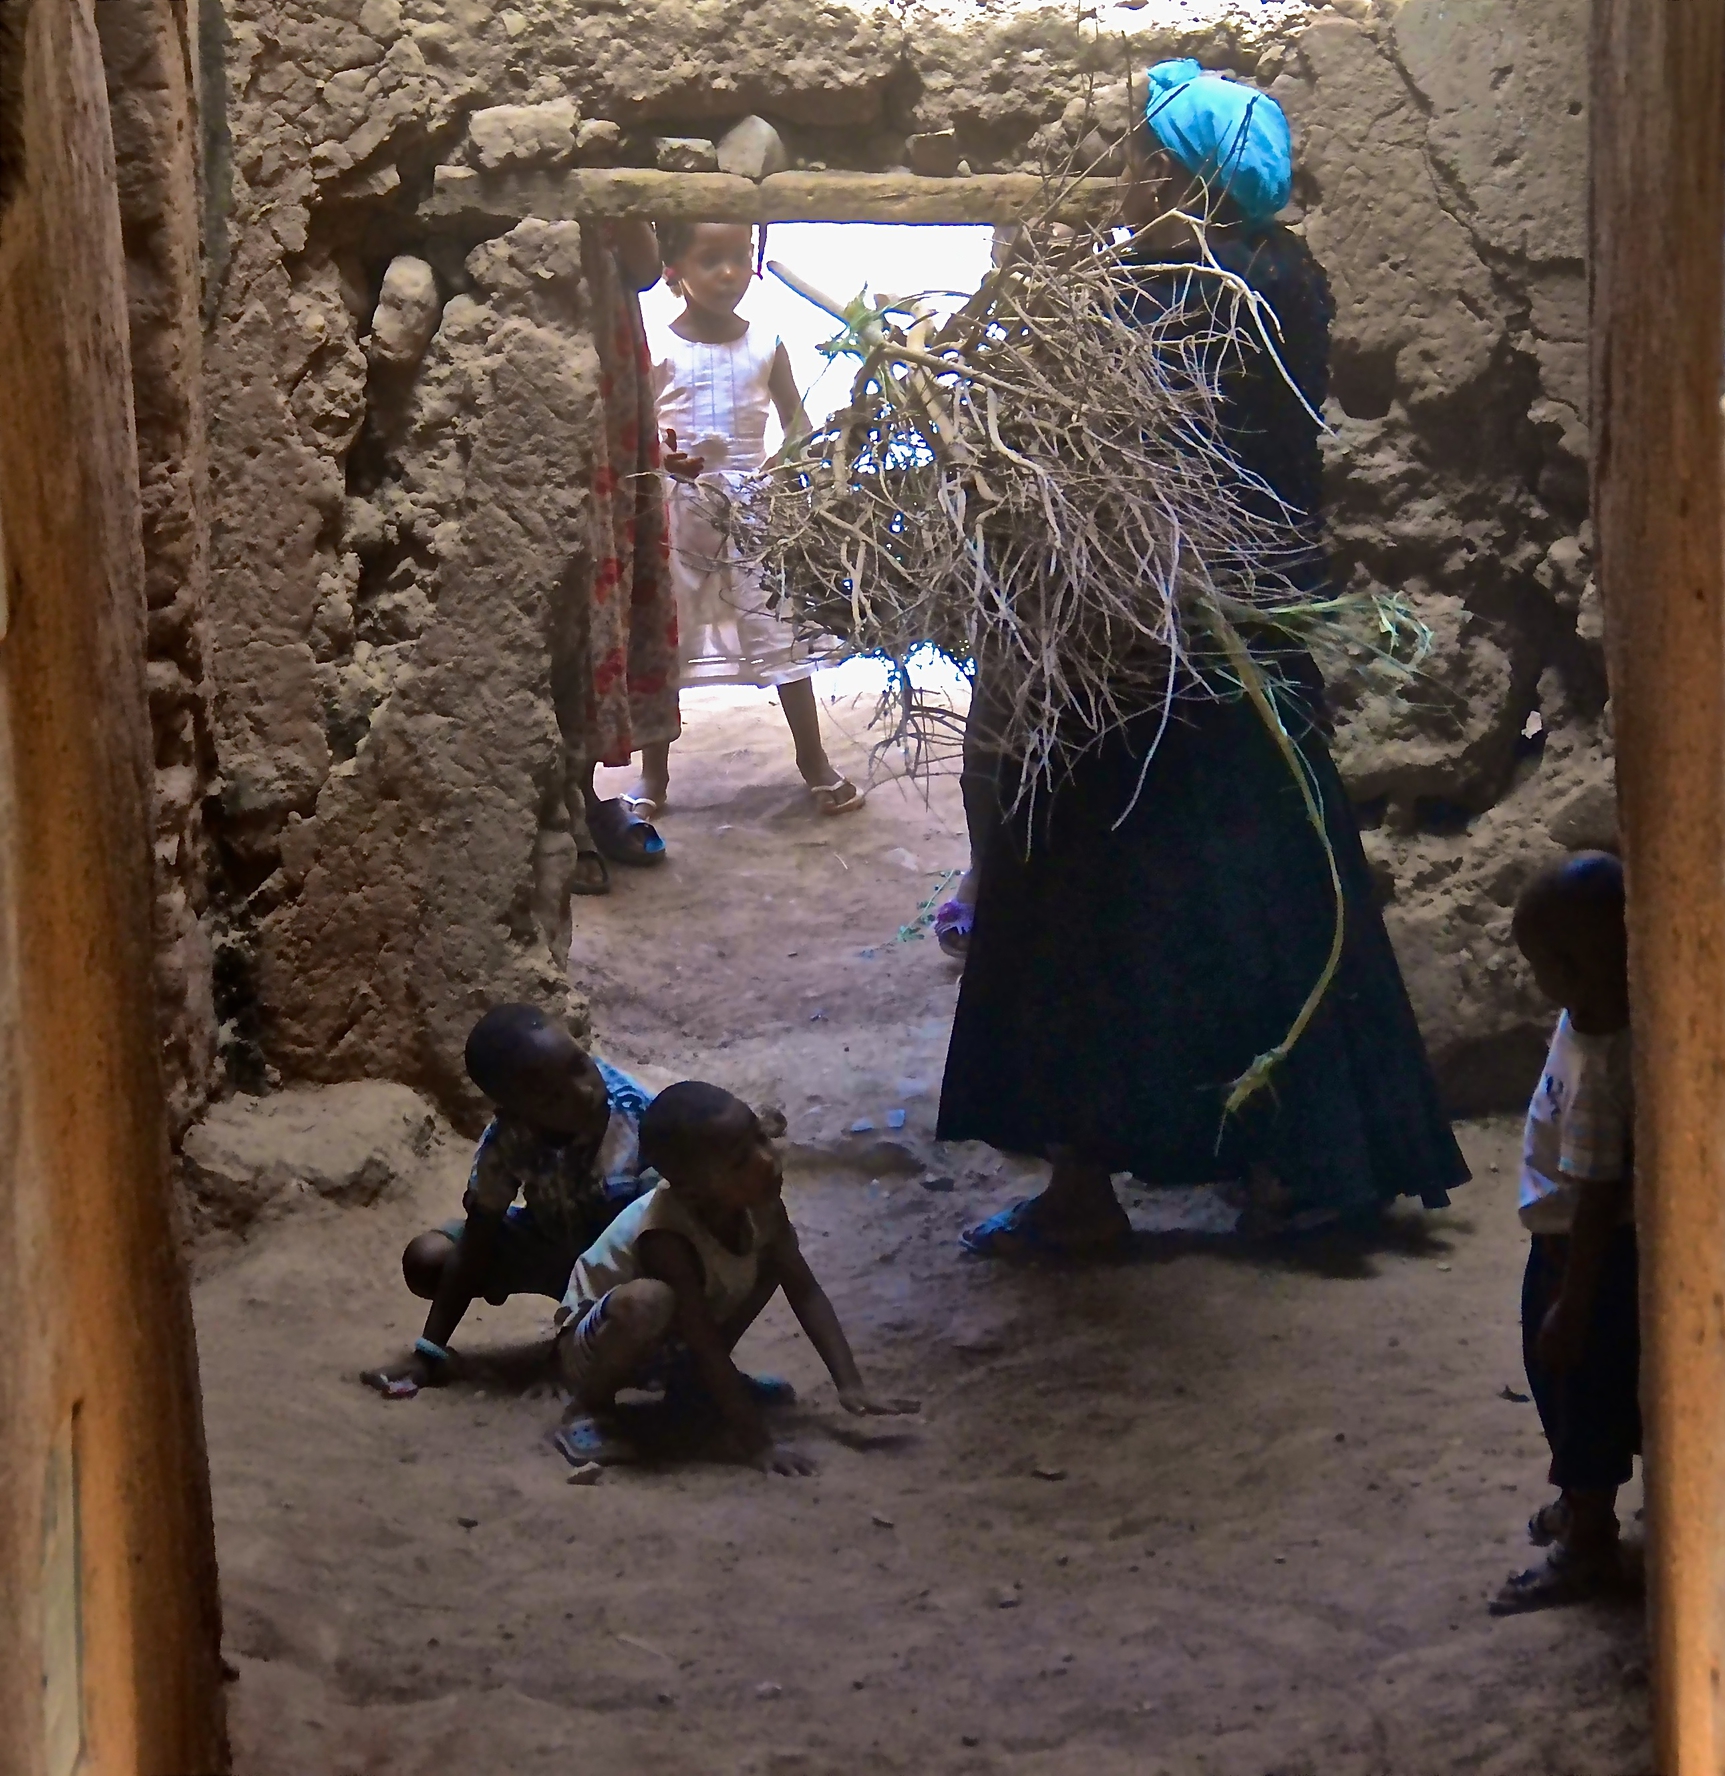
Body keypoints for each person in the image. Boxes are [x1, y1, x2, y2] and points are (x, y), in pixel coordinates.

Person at [940, 61, 1468, 1255]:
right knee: (1267, 882)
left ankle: (1083, 1188)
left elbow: (1084, 451)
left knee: (1076, 898)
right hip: (1254, 626)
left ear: (1183, 177)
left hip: (1140, 641)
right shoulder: (1292, 276)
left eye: (1140, 159)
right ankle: (1305, 1164)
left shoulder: (1162, 284)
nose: (1124, 180)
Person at [550, 1081, 918, 1469]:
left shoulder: (760, 1204)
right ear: (692, 1192)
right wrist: (757, 1444)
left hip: (663, 1340)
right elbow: (703, 1339)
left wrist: (849, 1383)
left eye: (760, 1138)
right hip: (594, 1346)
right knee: (650, 1300)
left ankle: (694, 1387)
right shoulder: (665, 1237)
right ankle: (584, 1410)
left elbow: (804, 1289)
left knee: (775, 1258)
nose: (766, 1160)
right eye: (740, 1161)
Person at [637, 221, 863, 820]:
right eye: (711, 258)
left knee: (777, 630)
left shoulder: (767, 344)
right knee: (667, 639)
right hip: (677, 518)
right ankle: (652, 777)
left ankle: (812, 760)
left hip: (756, 515)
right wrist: (662, 457)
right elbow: (634, 430)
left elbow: (798, 428)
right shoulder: (656, 347)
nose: (728, 273)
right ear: (673, 267)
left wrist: (787, 472)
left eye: (740, 257)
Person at [361, 1004, 656, 1396]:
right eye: (551, 1098)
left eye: (579, 1066)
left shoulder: (638, 1114)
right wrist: (428, 1352)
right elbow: (478, 1240)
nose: (582, 1091)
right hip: (556, 1249)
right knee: (430, 1258)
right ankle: (585, 1329)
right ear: (515, 1112)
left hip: (624, 1259)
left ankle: (639, 1344)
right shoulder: (508, 1140)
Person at [1490, 852, 1639, 1614]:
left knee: (1581, 1388)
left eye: (1541, 963)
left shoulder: (1600, 1076)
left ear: (1570, 966)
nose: (1536, 978)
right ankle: (1578, 1505)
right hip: (1565, 1246)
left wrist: (1572, 1301)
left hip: (1583, 1257)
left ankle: (1588, 1540)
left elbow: (1597, 1194)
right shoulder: (1589, 1018)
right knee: (1563, 1386)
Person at [565, 218, 706, 888]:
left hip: (613, 380)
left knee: (608, 582)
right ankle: (561, 809)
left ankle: (584, 798)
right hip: (555, 377)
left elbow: (646, 266)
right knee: (562, 581)